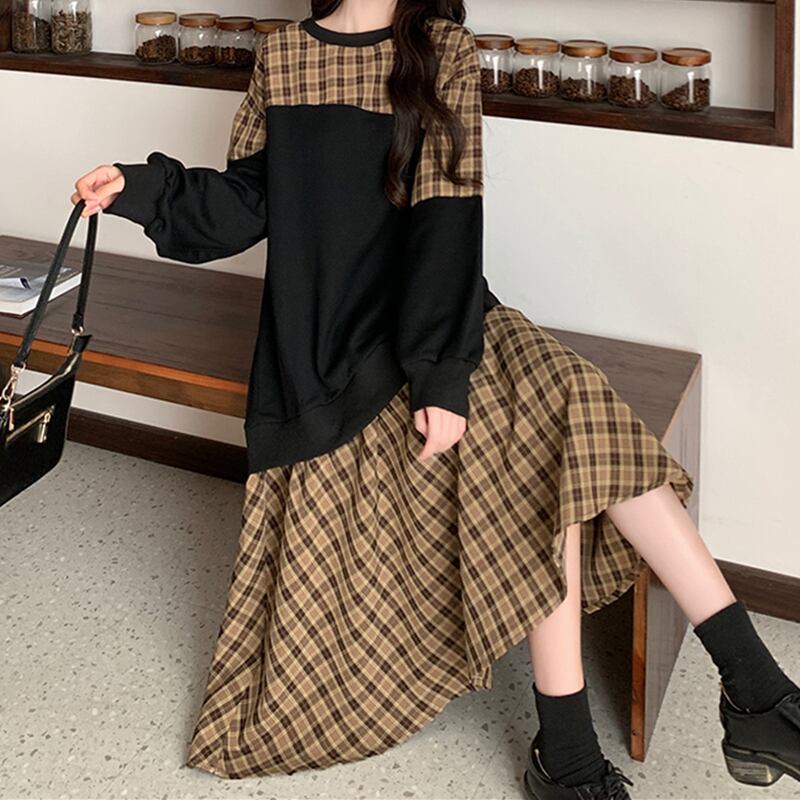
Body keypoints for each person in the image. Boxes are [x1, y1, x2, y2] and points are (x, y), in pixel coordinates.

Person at [71, 1, 800, 797]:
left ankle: (748, 689)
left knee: (572, 404)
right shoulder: (282, 55)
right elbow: (249, 199)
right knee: (542, 440)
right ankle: (605, 745)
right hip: (333, 348)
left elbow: (448, 217)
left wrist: (440, 375)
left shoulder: (441, 49)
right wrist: (143, 187)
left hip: (441, 319)